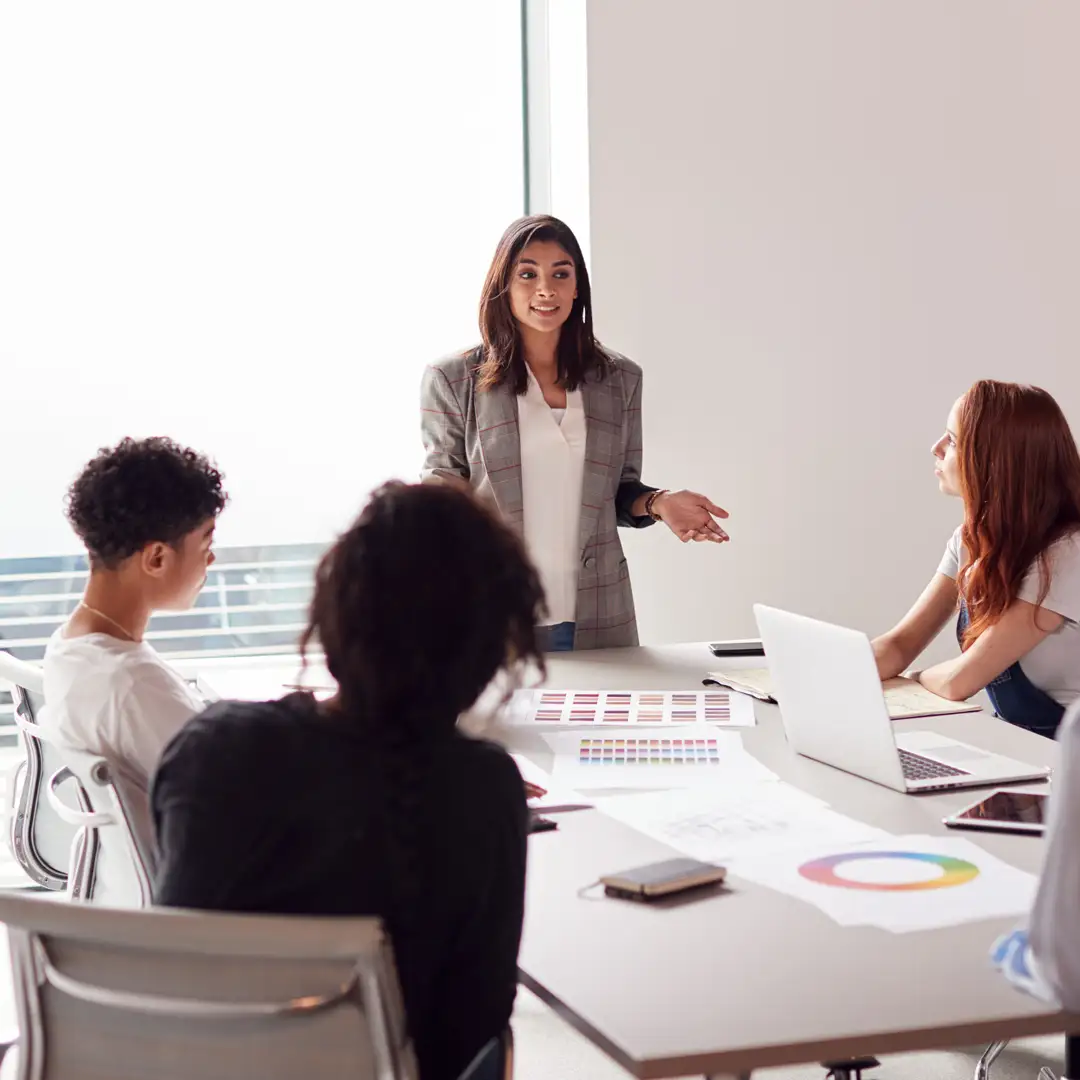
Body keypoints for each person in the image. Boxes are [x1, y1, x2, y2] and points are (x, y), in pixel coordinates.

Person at [152, 482, 544, 1080]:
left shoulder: (214, 748)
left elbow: (178, 969)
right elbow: (473, 1032)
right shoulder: (483, 788)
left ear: (334, 613)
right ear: (489, 645)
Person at [420, 214, 729, 652]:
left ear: (577, 286)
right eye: (527, 274)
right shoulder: (453, 379)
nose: (546, 289)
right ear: (502, 285)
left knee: (600, 722)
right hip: (490, 613)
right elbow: (442, 489)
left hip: (597, 611)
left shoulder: (620, 378)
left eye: (560, 274)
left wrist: (659, 503)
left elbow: (620, 489)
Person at [872, 380, 1080, 738]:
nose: (936, 448)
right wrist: (825, 671)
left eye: (952, 440)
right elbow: (900, 645)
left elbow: (961, 680)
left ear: (996, 461)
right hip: (1026, 747)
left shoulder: (1067, 553)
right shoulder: (969, 542)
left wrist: (912, 680)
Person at [40, 436, 227, 789]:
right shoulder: (132, 684)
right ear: (156, 558)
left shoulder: (69, 646)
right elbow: (235, 799)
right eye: (206, 544)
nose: (211, 559)